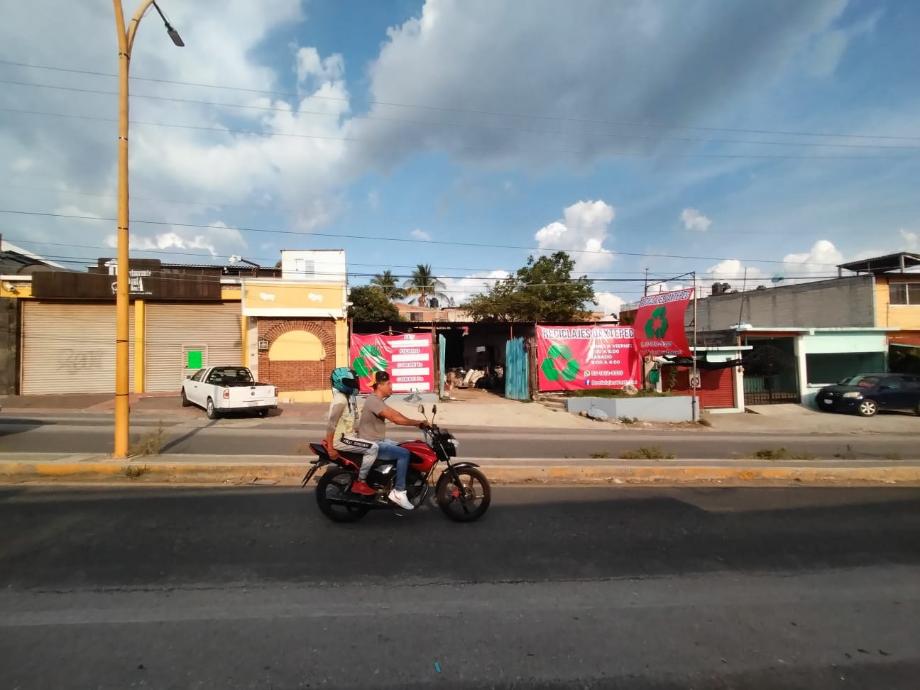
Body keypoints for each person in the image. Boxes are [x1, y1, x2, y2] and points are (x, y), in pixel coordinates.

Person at [357, 370, 429, 511]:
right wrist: (417, 423)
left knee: (406, 446)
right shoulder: (373, 400)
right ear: (379, 385)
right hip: (373, 444)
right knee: (403, 454)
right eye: (389, 384)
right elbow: (395, 419)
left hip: (378, 440)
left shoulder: (377, 401)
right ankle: (398, 492)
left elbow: (395, 414)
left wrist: (417, 421)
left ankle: (398, 480)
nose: (391, 386)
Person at [324, 367, 378, 496]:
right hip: (341, 439)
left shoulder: (350, 398)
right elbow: (331, 424)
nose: (354, 384)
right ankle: (361, 482)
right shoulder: (340, 400)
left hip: (350, 436)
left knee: (378, 442)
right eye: (350, 382)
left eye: (354, 381)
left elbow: (355, 422)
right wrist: (331, 448)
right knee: (373, 448)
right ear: (340, 382)